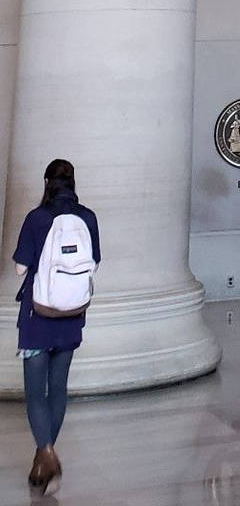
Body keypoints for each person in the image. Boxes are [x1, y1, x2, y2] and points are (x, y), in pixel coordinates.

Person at [13, 159, 101, 494]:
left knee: (36, 392)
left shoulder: (37, 218)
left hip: (38, 317)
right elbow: (94, 263)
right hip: (72, 316)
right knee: (59, 388)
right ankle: (42, 462)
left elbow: (21, 269)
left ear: (47, 182)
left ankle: (47, 454)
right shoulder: (88, 217)